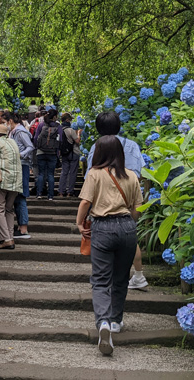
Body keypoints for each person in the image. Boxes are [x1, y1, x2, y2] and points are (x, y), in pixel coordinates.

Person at [76, 135, 143, 356]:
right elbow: (137, 209)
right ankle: (116, 321)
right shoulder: (132, 176)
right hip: (127, 228)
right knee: (121, 277)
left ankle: (103, 322)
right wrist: (127, 223)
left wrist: (79, 222)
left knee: (100, 279)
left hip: (102, 228)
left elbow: (86, 202)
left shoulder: (94, 174)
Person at [87, 111, 148, 289]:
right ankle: (138, 275)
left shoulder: (97, 146)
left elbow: (90, 175)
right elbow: (141, 172)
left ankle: (108, 278)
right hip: (131, 194)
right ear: (119, 126)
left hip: (105, 197)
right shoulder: (132, 145)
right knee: (130, 237)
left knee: (105, 238)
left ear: (99, 128)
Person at [5, 111, 34, 239]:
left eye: (5, 122)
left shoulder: (20, 132)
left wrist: (19, 154)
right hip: (17, 166)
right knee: (17, 196)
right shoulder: (14, 131)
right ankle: (20, 227)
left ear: (10, 121)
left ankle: (23, 228)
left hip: (21, 165)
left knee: (20, 195)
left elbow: (30, 146)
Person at [32, 108, 62, 201]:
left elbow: (36, 138)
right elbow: (60, 140)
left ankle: (39, 193)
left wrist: (39, 147)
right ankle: (50, 196)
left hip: (41, 152)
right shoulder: (58, 126)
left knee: (41, 174)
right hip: (52, 153)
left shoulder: (41, 125)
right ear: (54, 117)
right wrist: (58, 151)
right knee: (50, 174)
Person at [58, 113, 82, 197]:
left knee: (64, 172)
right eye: (70, 120)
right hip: (73, 153)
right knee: (72, 172)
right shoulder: (70, 130)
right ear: (67, 120)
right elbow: (77, 141)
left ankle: (61, 191)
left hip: (64, 153)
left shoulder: (59, 129)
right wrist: (79, 133)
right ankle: (69, 191)